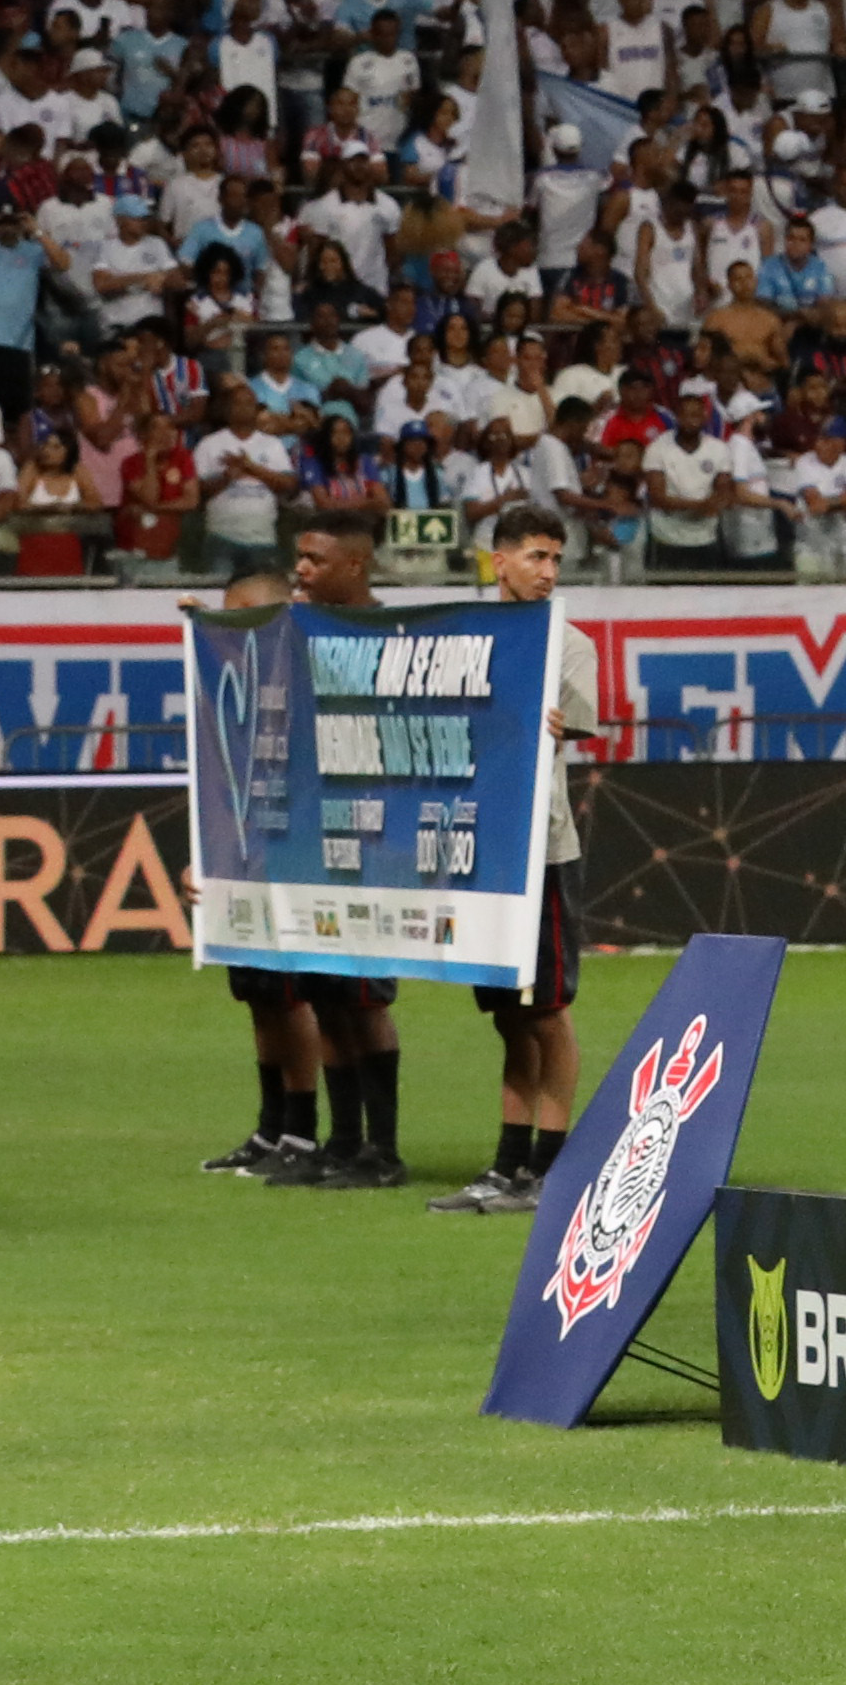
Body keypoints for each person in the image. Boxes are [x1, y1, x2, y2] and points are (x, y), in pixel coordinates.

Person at [214, 497, 411, 1188]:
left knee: (364, 999)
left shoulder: (396, 637)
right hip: (302, 839)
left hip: (366, 839)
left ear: (355, 564)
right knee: (327, 994)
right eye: (298, 556)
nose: (300, 569)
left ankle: (380, 1149)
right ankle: (341, 1139)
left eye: (314, 559)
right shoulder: (296, 632)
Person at [436, 499, 601, 1216]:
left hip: (541, 850)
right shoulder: (461, 636)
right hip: (484, 850)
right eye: (536, 556)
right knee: (509, 1016)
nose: (548, 571)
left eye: (556, 559)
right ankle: (508, 1165)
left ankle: (552, 1170)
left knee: (548, 1011)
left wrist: (559, 728)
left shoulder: (569, 644)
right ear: (496, 559)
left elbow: (576, 731)